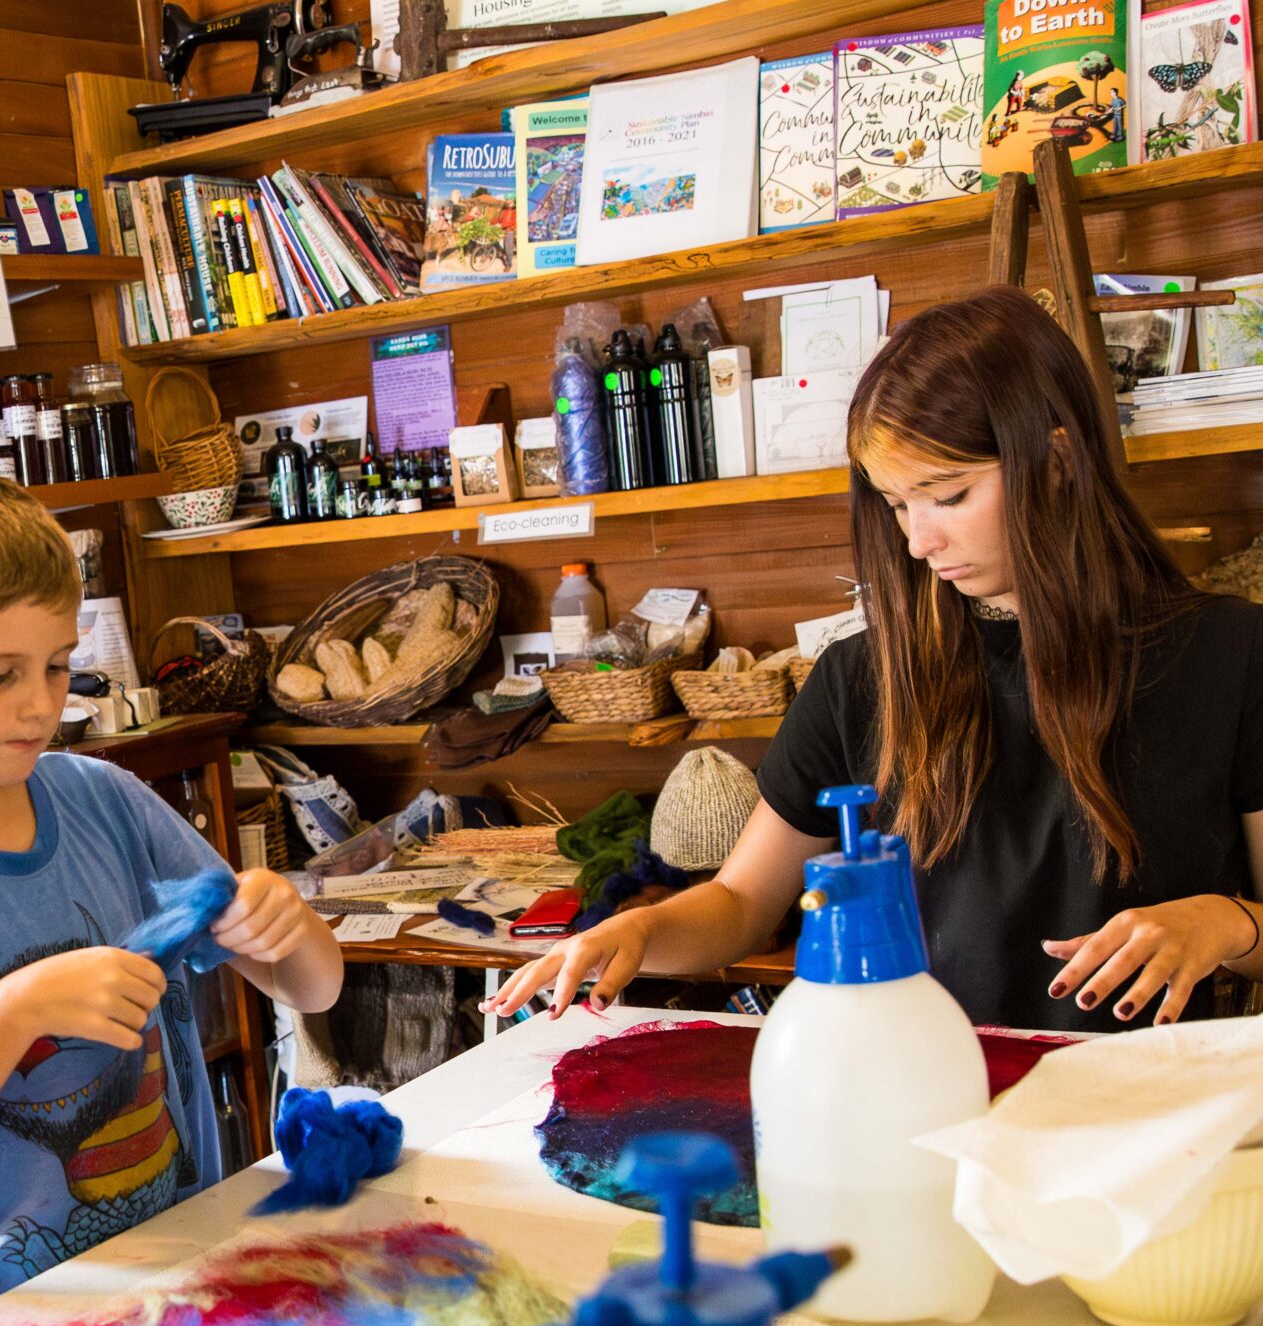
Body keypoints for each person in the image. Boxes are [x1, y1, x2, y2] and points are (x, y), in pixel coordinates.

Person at [489, 289, 1263, 1032]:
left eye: (948, 495)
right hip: (927, 1101)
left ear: (1056, 461)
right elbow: (739, 904)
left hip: (1145, 1121)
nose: (919, 542)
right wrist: (633, 933)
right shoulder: (862, 678)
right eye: (897, 504)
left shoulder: (1231, 656)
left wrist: (1225, 921)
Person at [0, 467, 343, 1326]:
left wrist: (288, 921)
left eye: (57, 666)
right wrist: (12, 1013)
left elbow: (311, 989)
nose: (40, 703)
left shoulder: (104, 800)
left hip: (180, 1274)